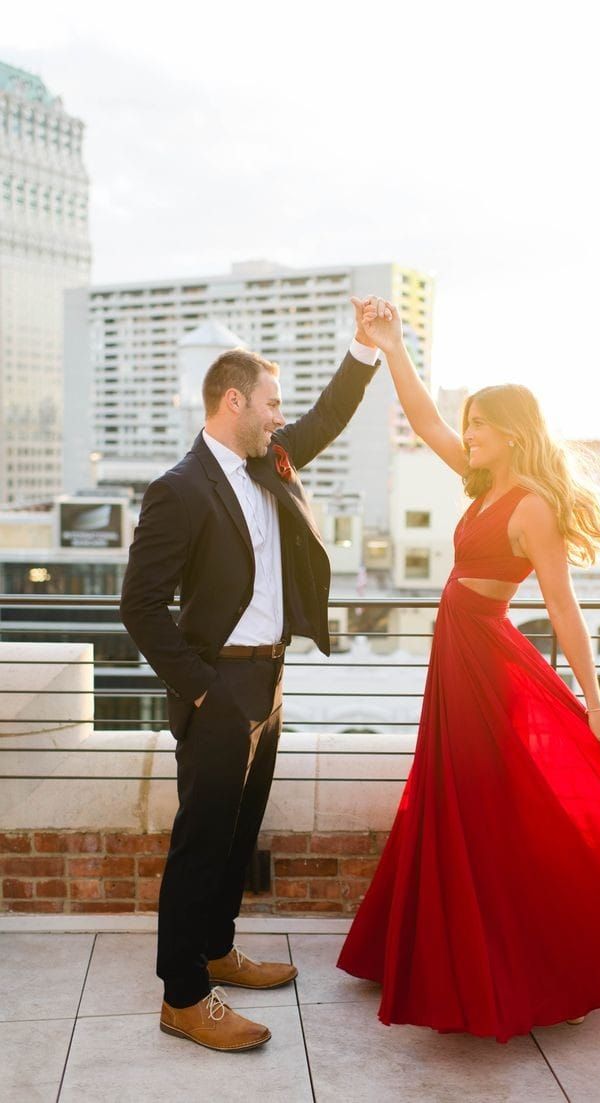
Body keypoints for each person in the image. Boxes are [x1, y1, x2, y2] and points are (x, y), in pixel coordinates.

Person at [337, 295, 600, 1043]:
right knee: (449, 800)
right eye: (470, 425)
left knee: (499, 811)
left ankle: (562, 965)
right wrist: (391, 347)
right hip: (457, 662)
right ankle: (435, 950)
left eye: (481, 425)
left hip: (488, 665)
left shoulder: (531, 505)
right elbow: (424, 422)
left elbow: (563, 608)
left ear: (513, 431)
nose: (468, 434)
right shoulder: (483, 483)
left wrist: (596, 702)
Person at [120, 302, 380, 1052]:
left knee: (237, 837)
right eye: (270, 402)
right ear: (233, 401)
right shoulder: (179, 487)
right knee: (200, 843)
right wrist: (202, 690)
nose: (280, 415)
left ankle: (218, 949)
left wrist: (362, 350)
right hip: (218, 689)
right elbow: (139, 607)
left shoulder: (270, 459)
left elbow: (327, 417)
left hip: (269, 682)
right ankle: (184, 995)